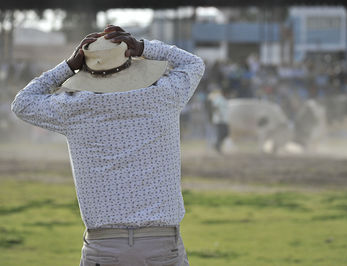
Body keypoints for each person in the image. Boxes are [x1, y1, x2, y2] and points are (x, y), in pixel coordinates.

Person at [11, 25, 205, 266]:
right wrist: (144, 47)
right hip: (162, 245)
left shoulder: (73, 108)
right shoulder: (164, 96)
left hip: (102, 247)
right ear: (130, 60)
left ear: (86, 69)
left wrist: (68, 66)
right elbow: (193, 64)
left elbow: (23, 103)